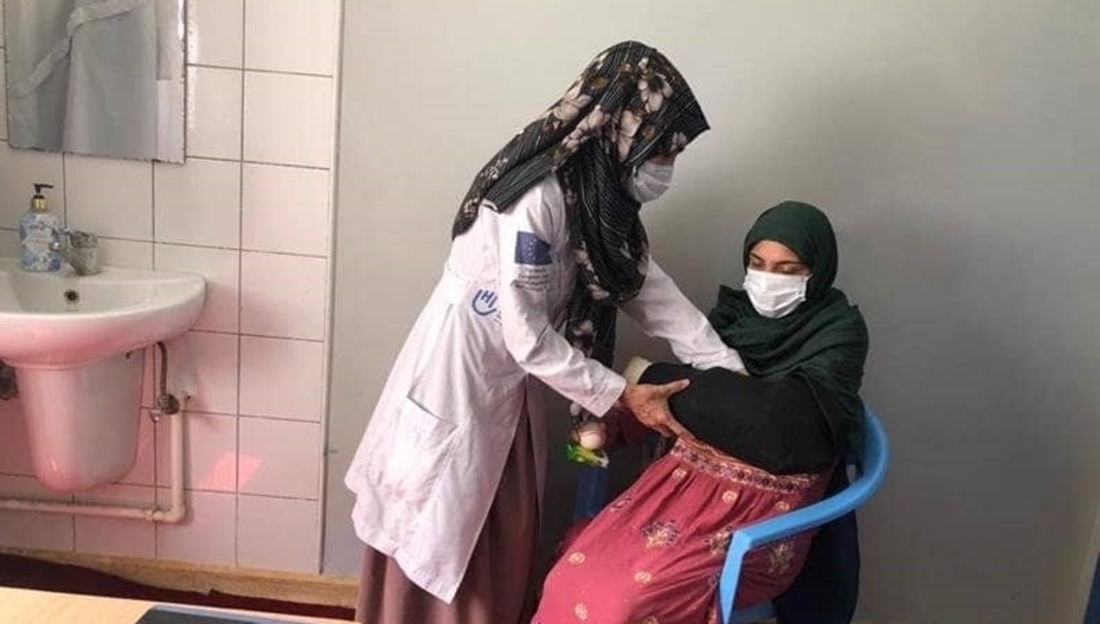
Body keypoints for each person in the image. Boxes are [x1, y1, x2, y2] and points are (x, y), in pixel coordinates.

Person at [343, 40, 749, 624]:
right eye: (663, 151)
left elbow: (647, 291)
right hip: (459, 386)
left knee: (495, 534)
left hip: (508, 391)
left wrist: (727, 365)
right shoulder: (536, 198)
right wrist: (622, 396)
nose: (665, 169)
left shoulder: (600, 208)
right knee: (439, 534)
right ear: (621, 126)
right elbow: (527, 337)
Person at [531, 200, 870, 624]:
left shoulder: (837, 334)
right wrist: (596, 431)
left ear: (817, 272)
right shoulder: (733, 318)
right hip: (680, 483)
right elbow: (689, 399)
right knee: (563, 580)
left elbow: (780, 432)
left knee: (627, 606)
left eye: (788, 270)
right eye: (758, 264)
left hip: (762, 514)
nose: (768, 280)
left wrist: (653, 374)